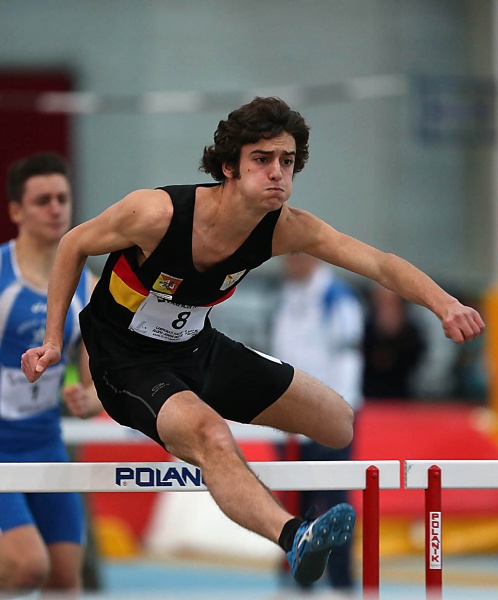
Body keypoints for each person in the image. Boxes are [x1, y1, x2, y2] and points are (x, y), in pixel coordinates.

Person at [21, 97, 485, 587]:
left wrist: (443, 304)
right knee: (212, 436)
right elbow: (73, 244)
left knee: (338, 424)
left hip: (196, 348)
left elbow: (379, 263)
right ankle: (294, 536)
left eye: (287, 161)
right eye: (262, 160)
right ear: (229, 168)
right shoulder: (156, 213)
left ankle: (215, 443)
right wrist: (54, 340)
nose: (277, 173)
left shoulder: (284, 228)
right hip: (126, 363)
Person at [0, 152, 102, 593]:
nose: (55, 209)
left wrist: (88, 399)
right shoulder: (2, 278)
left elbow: (95, 383)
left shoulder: (87, 287)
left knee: (64, 581)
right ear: (16, 211)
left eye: (62, 198)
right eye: (42, 200)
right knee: (28, 567)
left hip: (46, 446)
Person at [271, 252, 364, 596]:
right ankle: (297, 580)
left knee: (336, 502)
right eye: (287, 257)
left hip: (330, 416)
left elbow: (349, 359)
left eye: (297, 256)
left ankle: (342, 583)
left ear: (313, 257)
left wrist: (340, 416)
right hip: (291, 418)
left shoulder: (337, 298)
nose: (290, 263)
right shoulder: (286, 298)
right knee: (296, 502)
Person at [362, 284, 427, 399]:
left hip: (402, 395)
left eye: (391, 303)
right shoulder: (363, 327)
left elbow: (416, 357)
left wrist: (396, 334)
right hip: (368, 394)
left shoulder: (411, 331)